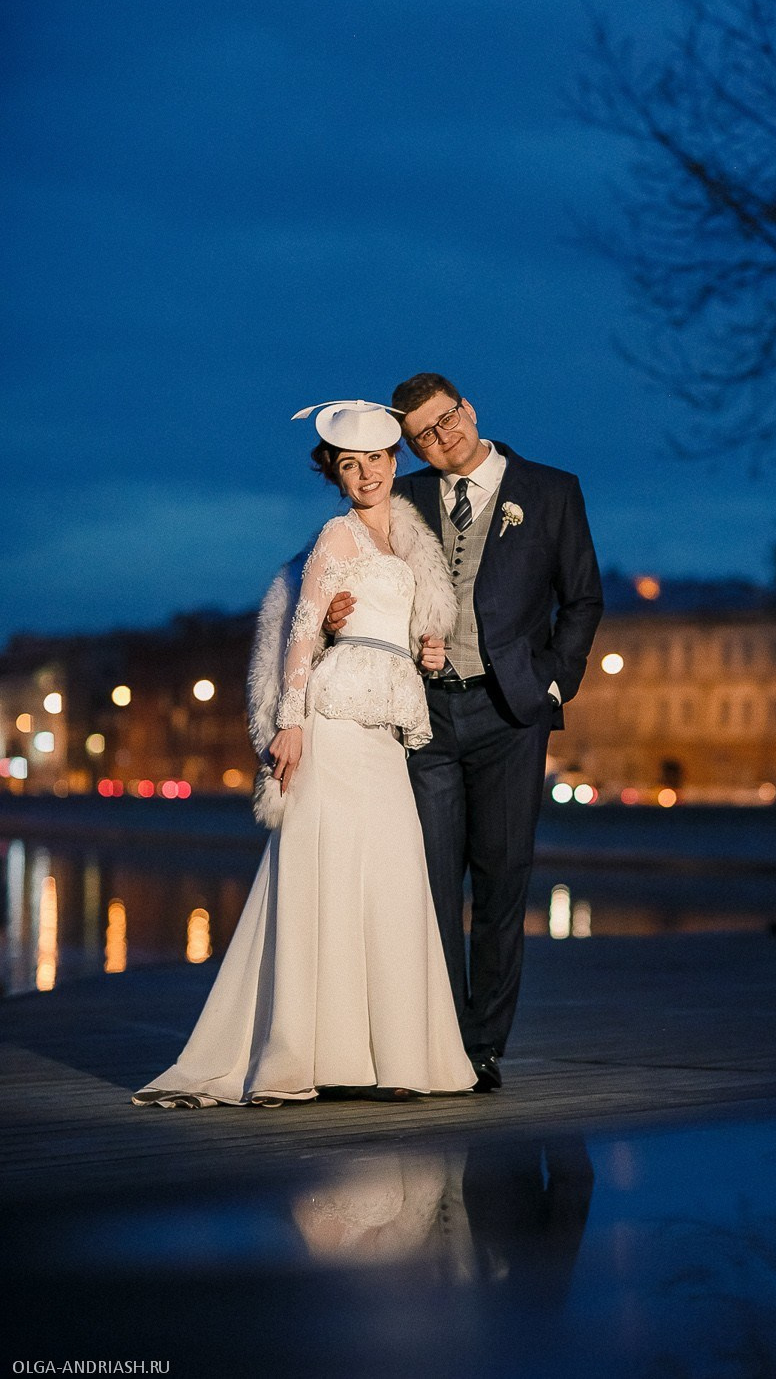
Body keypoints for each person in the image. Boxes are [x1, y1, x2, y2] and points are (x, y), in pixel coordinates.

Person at [133, 400, 476, 1106]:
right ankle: (307, 1058)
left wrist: (428, 653)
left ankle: (396, 1059)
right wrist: (289, 724)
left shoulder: (408, 543)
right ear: (336, 475)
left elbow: (408, 628)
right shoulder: (336, 536)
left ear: (394, 462)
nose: (365, 475)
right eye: (350, 466)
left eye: (375, 460)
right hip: (333, 720)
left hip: (384, 726)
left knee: (391, 881)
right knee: (325, 879)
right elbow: (300, 631)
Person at [327, 375, 602, 1092]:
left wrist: (554, 681)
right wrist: (332, 615)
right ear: (410, 445)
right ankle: (440, 1042)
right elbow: (345, 566)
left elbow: (582, 598)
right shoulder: (405, 496)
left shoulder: (552, 491)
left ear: (468, 409)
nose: (442, 437)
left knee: (502, 883)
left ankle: (484, 1046)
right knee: (429, 885)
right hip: (426, 715)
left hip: (511, 713)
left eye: (447, 419)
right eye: (423, 434)